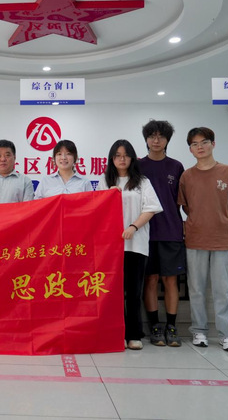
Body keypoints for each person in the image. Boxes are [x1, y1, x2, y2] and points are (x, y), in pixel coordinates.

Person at [178, 127, 228, 352]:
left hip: (221, 239)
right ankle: (199, 331)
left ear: (213, 144)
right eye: (194, 144)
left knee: (223, 290)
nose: (200, 147)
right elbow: (186, 206)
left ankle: (227, 335)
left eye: (204, 142)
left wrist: (221, 217)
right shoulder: (186, 176)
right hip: (195, 238)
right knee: (196, 289)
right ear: (190, 149)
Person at [97, 139, 162, 350]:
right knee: (113, 293)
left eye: (125, 155)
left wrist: (133, 227)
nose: (121, 159)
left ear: (132, 158)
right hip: (111, 247)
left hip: (136, 244)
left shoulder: (142, 181)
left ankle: (134, 334)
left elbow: (150, 209)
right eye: (117, 155)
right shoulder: (105, 180)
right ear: (111, 159)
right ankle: (116, 334)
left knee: (133, 292)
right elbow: (97, 210)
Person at [140, 120, 186, 347]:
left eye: (161, 136)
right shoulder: (138, 166)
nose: (156, 140)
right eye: (152, 136)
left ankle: (172, 326)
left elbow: (182, 200)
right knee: (150, 279)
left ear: (167, 140)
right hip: (145, 232)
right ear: (146, 139)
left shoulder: (176, 167)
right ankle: (155, 326)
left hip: (171, 231)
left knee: (170, 280)